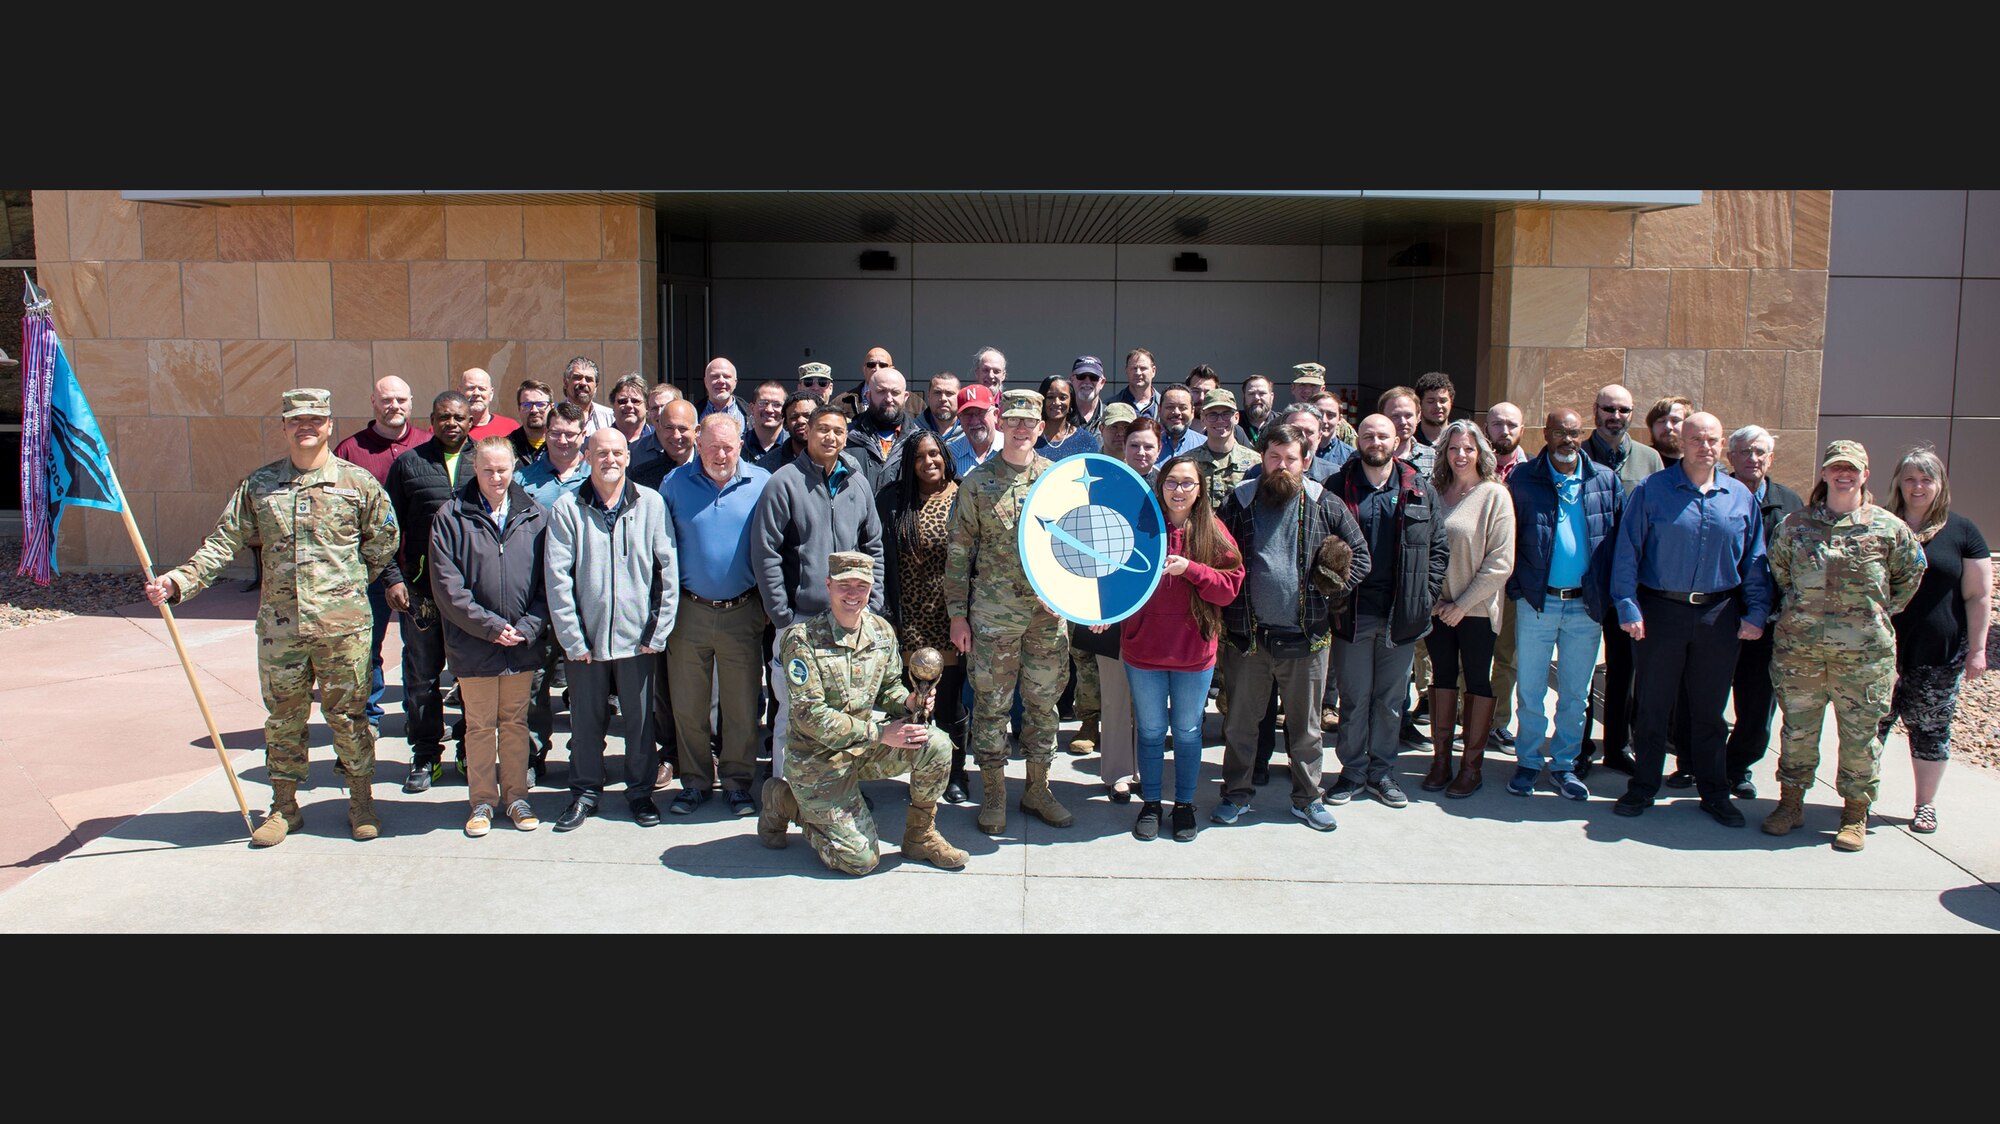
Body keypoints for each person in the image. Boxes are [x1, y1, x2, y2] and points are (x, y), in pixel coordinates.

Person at [145, 388, 398, 846]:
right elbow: (223, 543)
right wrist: (180, 582)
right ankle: (284, 807)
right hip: (281, 630)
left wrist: (343, 586)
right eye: (296, 420)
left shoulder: (358, 485)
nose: (306, 427)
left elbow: (383, 541)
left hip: (343, 628)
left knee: (349, 717)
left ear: (329, 425)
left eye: (315, 419)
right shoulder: (259, 487)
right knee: (284, 717)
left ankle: (361, 801)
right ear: (283, 427)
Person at [757, 552, 969, 874]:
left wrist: (910, 703)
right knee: (859, 860)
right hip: (818, 760)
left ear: (871, 589)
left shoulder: (881, 632)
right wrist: (882, 734)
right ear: (828, 585)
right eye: (845, 585)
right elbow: (811, 715)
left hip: (862, 749)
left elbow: (888, 690)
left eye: (861, 586)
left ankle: (920, 836)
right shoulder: (802, 640)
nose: (853, 594)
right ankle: (785, 799)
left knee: (935, 744)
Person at [1609, 412, 1773, 826]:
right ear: (1682, 442)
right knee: (1652, 706)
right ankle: (1643, 786)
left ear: (1723, 446)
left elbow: (1755, 560)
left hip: (1718, 616)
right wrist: (1627, 606)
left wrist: (1755, 612)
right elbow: (1627, 552)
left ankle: (1714, 791)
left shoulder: (1739, 496)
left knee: (1709, 711)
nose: (1706, 446)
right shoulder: (1652, 491)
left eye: (1714, 440)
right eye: (1697, 438)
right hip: (1661, 611)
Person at [1762, 441, 1927, 850]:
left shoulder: (1888, 528)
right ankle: (1791, 803)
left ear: (1865, 474)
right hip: (1801, 653)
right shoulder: (1795, 526)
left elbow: (1908, 578)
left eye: (1852, 469)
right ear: (1824, 473)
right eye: (1836, 468)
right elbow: (1781, 573)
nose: (1843, 475)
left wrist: (1872, 615)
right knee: (1798, 731)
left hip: (1864, 657)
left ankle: (1855, 812)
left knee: (1860, 737)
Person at [1213, 424, 1370, 829]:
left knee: (1306, 730)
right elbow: (1211, 554)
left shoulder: (1325, 503)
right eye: (1274, 458)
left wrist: (1328, 591)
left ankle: (1307, 798)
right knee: (1241, 727)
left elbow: (1362, 560)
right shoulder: (1240, 500)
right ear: (1261, 459)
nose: (1281, 466)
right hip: (1248, 639)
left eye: (1290, 459)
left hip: (1308, 639)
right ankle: (1236, 795)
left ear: (1305, 462)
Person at [944, 388, 1074, 834]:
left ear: (1042, 427)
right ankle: (995, 793)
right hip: (993, 617)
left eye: (1029, 422)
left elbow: (1077, 548)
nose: (1021, 429)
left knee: (1044, 704)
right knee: (991, 705)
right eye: (1013, 421)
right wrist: (957, 615)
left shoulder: (1059, 480)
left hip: (1047, 618)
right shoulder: (978, 483)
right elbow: (959, 553)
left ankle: (1038, 788)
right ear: (1001, 424)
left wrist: (1075, 597)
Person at [543, 427, 680, 831]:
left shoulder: (650, 503)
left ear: (628, 457)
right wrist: (572, 637)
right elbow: (557, 578)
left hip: (639, 641)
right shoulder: (568, 508)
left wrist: (656, 633)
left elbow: (667, 571)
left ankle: (639, 794)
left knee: (640, 725)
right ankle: (585, 793)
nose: (610, 460)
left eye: (618, 453)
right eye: (601, 452)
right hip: (585, 641)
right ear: (587, 456)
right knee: (586, 725)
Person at [1322, 414, 1447, 810]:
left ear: (1397, 440)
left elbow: (1438, 550)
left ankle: (1382, 772)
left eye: (1383, 435)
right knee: (1355, 698)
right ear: (1356, 439)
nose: (1375, 441)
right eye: (1368, 435)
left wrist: (1424, 597)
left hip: (1401, 614)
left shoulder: (1419, 489)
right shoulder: (1338, 486)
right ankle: (1352, 771)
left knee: (1391, 700)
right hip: (1352, 612)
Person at [752, 404, 886, 776]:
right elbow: (766, 552)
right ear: (807, 432)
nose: (831, 437)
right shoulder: (783, 482)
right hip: (801, 623)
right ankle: (786, 796)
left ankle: (839, 797)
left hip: (849, 624)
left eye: (839, 431)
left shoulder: (856, 483)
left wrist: (870, 607)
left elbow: (873, 545)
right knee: (794, 717)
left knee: (845, 714)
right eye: (823, 429)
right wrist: (782, 615)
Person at [427, 435, 548, 836]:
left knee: (515, 723)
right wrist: (492, 628)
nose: (496, 478)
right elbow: (448, 587)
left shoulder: (534, 514)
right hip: (474, 643)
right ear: (474, 470)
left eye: (503, 469)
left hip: (522, 644)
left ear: (515, 469)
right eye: (487, 470)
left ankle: (516, 797)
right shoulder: (451, 516)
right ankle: (481, 802)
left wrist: (528, 627)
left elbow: (548, 583)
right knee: (479, 725)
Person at [1120, 456, 1245, 841]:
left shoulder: (1213, 530)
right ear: (1159, 486)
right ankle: (1153, 802)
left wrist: (1190, 569)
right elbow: (1112, 576)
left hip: (1193, 652)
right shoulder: (1141, 526)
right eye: (1171, 482)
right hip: (1144, 649)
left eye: (1187, 483)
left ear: (1200, 490)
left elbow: (1230, 587)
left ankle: (1185, 805)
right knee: (1153, 730)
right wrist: (1102, 611)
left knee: (1189, 731)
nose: (1178, 490)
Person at [1505, 409, 1623, 800]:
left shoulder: (1604, 480)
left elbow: (1619, 544)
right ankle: (1528, 762)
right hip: (1538, 602)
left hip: (1585, 607)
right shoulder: (1524, 479)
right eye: (1559, 432)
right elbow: (1509, 537)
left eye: (1573, 433)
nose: (1567, 440)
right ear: (1546, 434)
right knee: (1532, 689)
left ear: (1581, 434)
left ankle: (1565, 764)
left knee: (1576, 693)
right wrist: (1518, 587)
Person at [662, 415, 772, 817]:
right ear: (696, 443)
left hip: (742, 610)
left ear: (740, 445)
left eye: (728, 447)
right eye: (712, 447)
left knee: (741, 705)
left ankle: (737, 782)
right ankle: (694, 782)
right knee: (689, 706)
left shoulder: (761, 483)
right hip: (688, 611)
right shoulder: (674, 484)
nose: (720, 455)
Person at [1878, 445, 1990, 835]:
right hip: (1879, 654)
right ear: (1898, 483)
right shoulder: (1881, 523)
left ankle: (1925, 806)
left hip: (1937, 656)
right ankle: (1857, 802)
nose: (1917, 485)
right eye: (1909, 478)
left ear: (1940, 484)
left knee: (1930, 732)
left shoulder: (1962, 531)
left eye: (1926, 478)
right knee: (1870, 727)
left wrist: (1977, 650)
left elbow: (1977, 595)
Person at [383, 390, 474, 792]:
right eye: (443, 417)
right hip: (421, 592)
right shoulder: (409, 464)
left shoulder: (486, 460)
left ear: (471, 421)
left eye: (458, 417)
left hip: (476, 595)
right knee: (422, 677)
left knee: (473, 674)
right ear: (431, 420)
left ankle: (470, 748)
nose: (451, 424)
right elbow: (386, 530)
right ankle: (424, 755)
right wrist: (393, 578)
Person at [1419, 421, 1516, 797]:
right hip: (1437, 610)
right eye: (1453, 448)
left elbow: (1500, 562)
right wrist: (1435, 602)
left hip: (1475, 610)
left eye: (1468, 449)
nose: (1460, 455)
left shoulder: (1494, 496)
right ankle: (1440, 760)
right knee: (1441, 678)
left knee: (1476, 680)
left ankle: (1471, 767)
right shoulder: (1435, 492)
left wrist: (1462, 604)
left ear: (1481, 453)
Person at [877, 430, 972, 802]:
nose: (928, 462)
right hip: (907, 621)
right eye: (919, 456)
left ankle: (956, 773)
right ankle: (918, 772)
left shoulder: (963, 495)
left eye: (934, 454)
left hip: (948, 617)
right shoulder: (893, 500)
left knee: (949, 703)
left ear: (946, 456)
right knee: (912, 703)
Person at [333, 375, 428, 731]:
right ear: (373, 401)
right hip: (367, 569)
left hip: (415, 568)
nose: (395, 407)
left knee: (417, 648)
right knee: (366, 647)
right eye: (387, 400)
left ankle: (415, 714)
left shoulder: (426, 443)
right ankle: (368, 715)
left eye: (401, 400)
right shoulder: (349, 450)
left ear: (411, 402)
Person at [1580, 382, 1664, 776]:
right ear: (1595, 411)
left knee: (1623, 671)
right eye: (1608, 409)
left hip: (1628, 587)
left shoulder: (1649, 461)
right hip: (1584, 581)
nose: (1616, 417)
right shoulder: (1575, 455)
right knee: (1578, 670)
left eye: (1624, 410)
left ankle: (1615, 747)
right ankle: (1578, 748)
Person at [1720, 425, 1805, 797]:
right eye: (1744, 452)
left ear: (1770, 458)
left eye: (1760, 453)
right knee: (1701, 698)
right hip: (1717, 616)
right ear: (1730, 457)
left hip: (1768, 624)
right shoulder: (1716, 492)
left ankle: (1737, 767)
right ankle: (1695, 763)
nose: (1752, 459)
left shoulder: (1791, 503)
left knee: (1756, 705)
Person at [514, 400, 592, 782]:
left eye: (570, 434)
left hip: (585, 598)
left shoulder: (598, 477)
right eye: (556, 432)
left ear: (584, 435)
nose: (563, 440)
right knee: (535, 682)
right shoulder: (525, 480)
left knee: (584, 685)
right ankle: (533, 754)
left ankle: (584, 753)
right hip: (538, 595)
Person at [1479, 400, 1528, 750]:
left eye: (1511, 424)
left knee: (1506, 656)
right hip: (1475, 580)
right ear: (1487, 429)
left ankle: (1497, 721)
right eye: (1497, 424)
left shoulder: (1533, 473)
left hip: (1513, 583)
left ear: (1522, 430)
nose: (1504, 431)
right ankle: (1468, 718)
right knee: (1473, 655)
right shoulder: (1472, 468)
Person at [1188, 389, 1260, 511]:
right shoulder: (1189, 462)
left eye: (1226, 414)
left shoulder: (1256, 462)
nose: (1220, 420)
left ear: (1236, 417)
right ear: (1202, 419)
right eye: (1212, 415)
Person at [845, 365, 913, 492]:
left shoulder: (919, 441)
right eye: (881, 391)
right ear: (868, 395)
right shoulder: (846, 437)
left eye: (895, 392)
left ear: (905, 397)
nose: (888, 399)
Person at [630, 397, 696, 490]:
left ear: (696, 431)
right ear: (660, 429)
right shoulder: (642, 475)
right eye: (669, 428)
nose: (676, 435)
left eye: (682, 428)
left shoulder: (712, 470)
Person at [1034, 374, 1098, 460]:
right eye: (1050, 397)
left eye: (1062, 398)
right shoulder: (1031, 437)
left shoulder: (1086, 440)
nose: (1056, 402)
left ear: (1071, 402)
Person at [1292, 363, 1356, 446]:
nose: (1307, 390)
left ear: (1322, 389)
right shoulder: (1282, 422)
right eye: (1302, 385)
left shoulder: (1341, 427)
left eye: (1313, 386)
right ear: (1293, 388)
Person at [1377, 385, 1431, 478]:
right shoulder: (1371, 455)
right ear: (1382, 418)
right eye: (1395, 416)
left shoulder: (1432, 457)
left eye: (1408, 415)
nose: (1403, 422)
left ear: (1418, 417)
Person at [946, 384, 1000, 476]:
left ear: (995, 415)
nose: (974, 421)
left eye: (981, 413)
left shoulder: (1014, 449)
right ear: (959, 419)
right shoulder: (950, 456)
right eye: (967, 414)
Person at [458, 367, 520, 442]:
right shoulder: (453, 429)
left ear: (491, 394)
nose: (476, 393)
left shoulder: (511, 428)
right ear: (460, 392)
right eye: (471, 388)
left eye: (482, 389)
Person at [743, 379, 792, 471]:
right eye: (763, 403)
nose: (769, 410)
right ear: (752, 408)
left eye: (777, 404)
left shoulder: (794, 447)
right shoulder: (737, 447)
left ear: (785, 410)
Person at [1412, 371, 1456, 469]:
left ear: (1451, 402)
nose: (1438, 406)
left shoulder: (1459, 438)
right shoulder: (1410, 441)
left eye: (1443, 401)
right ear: (1419, 404)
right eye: (1431, 401)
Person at [562, 355, 616, 434]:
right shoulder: (553, 416)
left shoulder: (610, 417)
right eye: (577, 377)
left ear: (596, 386)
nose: (583, 383)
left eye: (589, 379)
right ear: (566, 382)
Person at [509, 379, 554, 465]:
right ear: (519, 409)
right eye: (526, 405)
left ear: (552, 407)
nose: (534, 410)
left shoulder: (561, 444)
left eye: (541, 404)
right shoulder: (507, 447)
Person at [698, 356, 748, 432]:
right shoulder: (692, 415)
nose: (721, 381)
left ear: (735, 382)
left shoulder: (751, 415)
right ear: (705, 382)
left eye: (726, 377)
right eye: (715, 376)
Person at [1113, 347, 1160, 418]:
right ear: (1126, 371)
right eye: (1134, 368)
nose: (1138, 373)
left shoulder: (1164, 406)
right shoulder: (1111, 405)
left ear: (1153, 371)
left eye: (1143, 368)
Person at [1648, 395, 1693, 471]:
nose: (1668, 427)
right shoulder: (1641, 461)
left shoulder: (1700, 464)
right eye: (1661, 421)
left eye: (1675, 420)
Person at [607, 373, 653, 445]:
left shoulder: (660, 439)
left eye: (635, 401)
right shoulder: (599, 441)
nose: (629, 405)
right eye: (622, 401)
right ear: (613, 405)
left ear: (647, 406)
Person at [1157, 384, 1201, 458]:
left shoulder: (1205, 444)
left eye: (1183, 408)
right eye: (1170, 407)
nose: (1177, 412)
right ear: (1159, 410)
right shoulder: (1145, 446)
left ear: (1192, 412)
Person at [913, 371, 961, 437]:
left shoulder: (970, 431)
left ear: (960, 397)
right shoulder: (912, 431)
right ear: (929, 397)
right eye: (937, 392)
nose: (943, 398)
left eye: (949, 393)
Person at [1234, 374, 1276, 447]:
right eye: (1251, 393)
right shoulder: (1232, 424)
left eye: (1262, 393)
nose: (1256, 398)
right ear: (1244, 397)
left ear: (1271, 397)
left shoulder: (1283, 423)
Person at [1069, 356, 1108, 433]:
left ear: (1102, 382)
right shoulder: (1062, 416)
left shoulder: (1110, 417)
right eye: (1081, 376)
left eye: (1094, 377)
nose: (1087, 382)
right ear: (1071, 380)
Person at [1123, 416, 1164, 486]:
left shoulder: (1165, 484)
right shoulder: (1110, 480)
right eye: (1134, 445)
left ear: (1159, 449)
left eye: (1148, 447)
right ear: (1124, 447)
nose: (1141, 452)